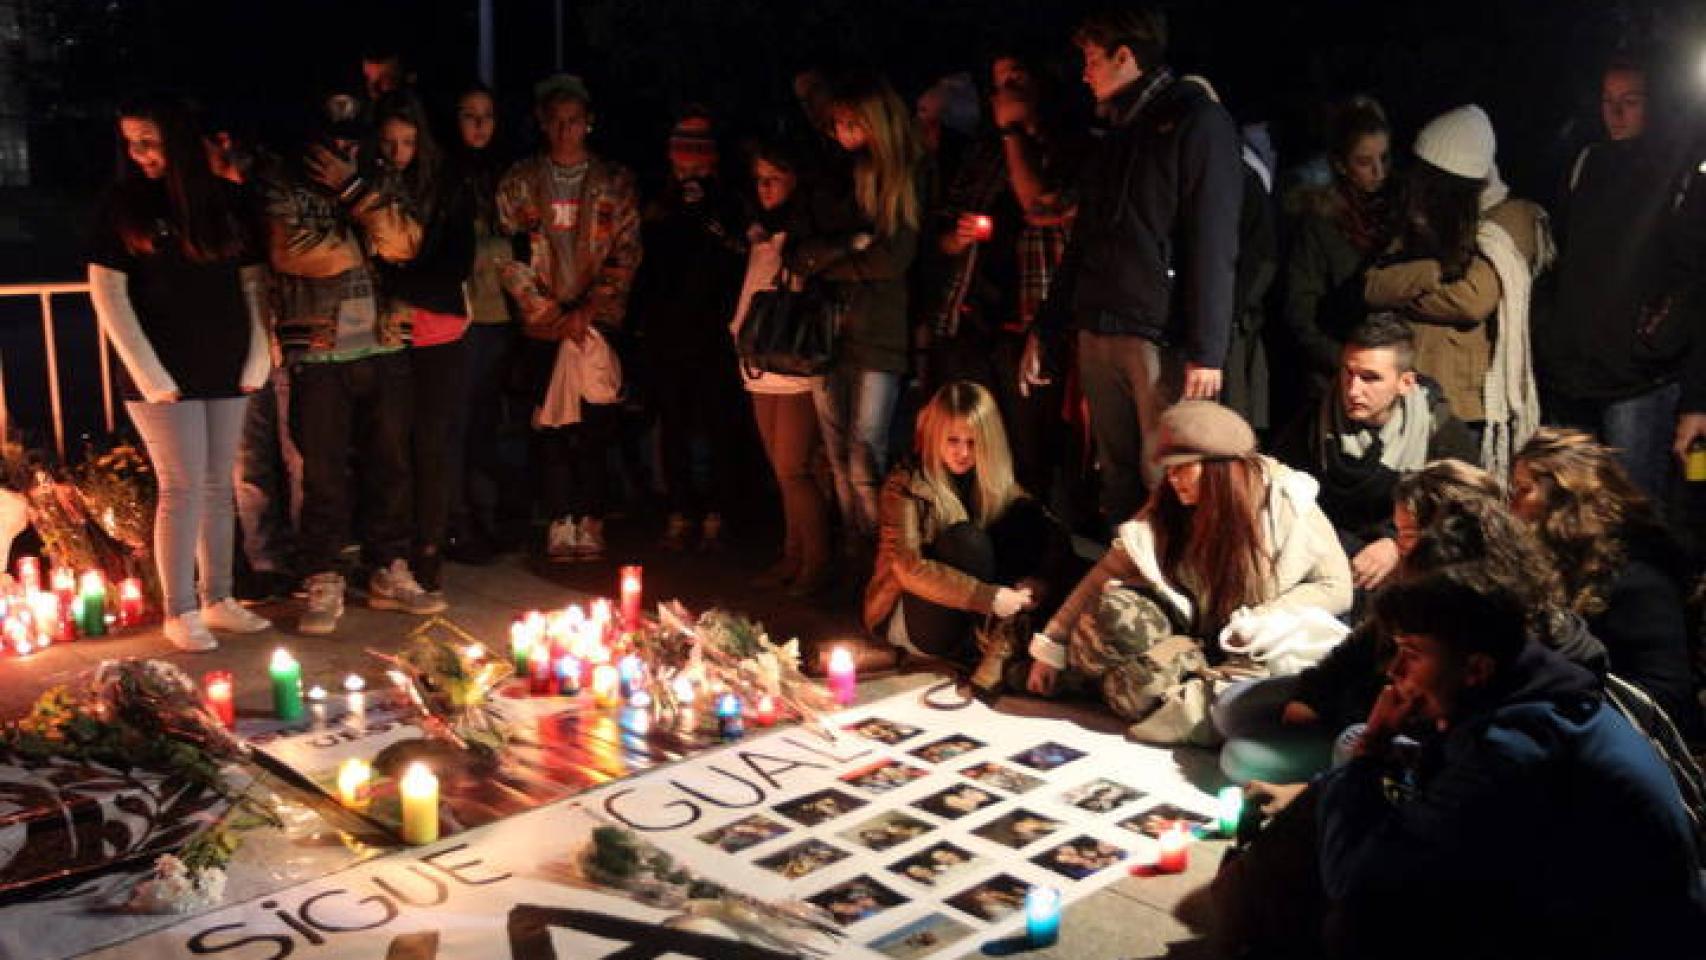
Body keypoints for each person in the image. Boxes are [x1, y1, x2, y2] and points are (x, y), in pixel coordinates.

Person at [1199, 561, 1705, 959]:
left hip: (1619, 941)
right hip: (1569, 909)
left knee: (1360, 923)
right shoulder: (1527, 699)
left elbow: (1360, 883)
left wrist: (1373, 745)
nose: (1395, 670)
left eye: (1412, 653)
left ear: (1476, 668)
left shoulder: (1519, 746)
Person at [1213, 458, 1601, 784]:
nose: (1399, 547)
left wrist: (1353, 715)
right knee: (1232, 707)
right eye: (1398, 533)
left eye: (1410, 535)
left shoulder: (1479, 600)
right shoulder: (1411, 582)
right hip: (1365, 702)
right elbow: (1360, 648)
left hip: (1399, 723)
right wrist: (1313, 694)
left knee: (1264, 755)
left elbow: (1430, 702)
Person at [1022, 4, 1243, 527]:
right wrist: (1050, 323)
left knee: (1167, 472)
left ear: (1126, 56)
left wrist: (1207, 348)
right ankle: (1128, 587)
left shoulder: (1197, 122)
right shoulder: (1118, 131)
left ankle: (1178, 591)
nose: (1085, 71)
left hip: (1156, 332)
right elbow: (1084, 240)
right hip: (1100, 323)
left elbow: (1213, 237)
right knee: (1117, 471)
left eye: (1093, 58)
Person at [88, 95, 273, 651]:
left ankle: (218, 598)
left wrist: (258, 355)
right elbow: (109, 292)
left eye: (150, 141)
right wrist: (147, 372)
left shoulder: (227, 201)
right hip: (160, 370)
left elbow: (253, 284)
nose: (140, 154)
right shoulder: (123, 203)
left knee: (220, 486)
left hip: (225, 360)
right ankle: (180, 609)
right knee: (183, 487)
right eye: (131, 143)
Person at [1026, 402, 1352, 716]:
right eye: (1169, 469)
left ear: (1218, 468)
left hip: (1253, 647)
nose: (1172, 479)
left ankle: (1140, 692)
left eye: (1183, 468)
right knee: (1114, 617)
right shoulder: (1168, 507)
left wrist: (1263, 618)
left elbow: (1336, 586)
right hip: (1190, 636)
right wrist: (1051, 645)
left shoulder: (1287, 501)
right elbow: (1108, 568)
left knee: (1147, 698)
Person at [257, 103, 433, 635]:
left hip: (382, 343)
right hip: (318, 346)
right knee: (323, 471)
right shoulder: (283, 185)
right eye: (334, 142)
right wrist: (370, 239)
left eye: (354, 141)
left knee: (391, 465)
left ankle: (388, 567)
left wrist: (356, 192)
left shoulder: (378, 179)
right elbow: (295, 253)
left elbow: (406, 243)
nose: (345, 152)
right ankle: (322, 573)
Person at [1364, 104, 1553, 477]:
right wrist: (1437, 269)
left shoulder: (1511, 218)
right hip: (1413, 391)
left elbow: (1470, 300)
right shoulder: (1423, 218)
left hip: (1470, 403)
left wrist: (1406, 291)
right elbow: (1374, 285)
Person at [497, 74, 641, 562]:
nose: (565, 130)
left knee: (595, 425)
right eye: (556, 121)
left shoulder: (614, 182)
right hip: (544, 325)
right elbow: (510, 256)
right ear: (542, 122)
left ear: (588, 123)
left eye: (574, 121)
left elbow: (626, 251)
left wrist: (590, 310)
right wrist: (551, 314)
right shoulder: (519, 182)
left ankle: (592, 517)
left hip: (596, 324)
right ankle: (559, 518)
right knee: (550, 425)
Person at [1539, 57, 1695, 499]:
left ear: (1654, 104)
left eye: (1630, 101)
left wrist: (1686, 382)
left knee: (1632, 507)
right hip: (1574, 374)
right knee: (1570, 508)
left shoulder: (1683, 172)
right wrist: (1554, 335)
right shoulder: (1587, 162)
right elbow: (1564, 257)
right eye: (1609, 101)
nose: (1617, 113)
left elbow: (1696, 283)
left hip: (1639, 382)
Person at [926, 48, 1078, 502]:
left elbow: (1043, 206)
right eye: (996, 85)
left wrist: (1014, 131)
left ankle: (1033, 559)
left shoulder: (1065, 147)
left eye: (1015, 80)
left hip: (1033, 320)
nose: (1003, 94)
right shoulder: (983, 154)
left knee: (1029, 451)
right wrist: (958, 237)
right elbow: (942, 232)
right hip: (972, 318)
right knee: (970, 442)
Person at [865, 381, 1070, 697]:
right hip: (916, 617)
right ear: (935, 437)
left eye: (973, 443)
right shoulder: (906, 483)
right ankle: (997, 640)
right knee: (966, 540)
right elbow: (907, 568)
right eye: (952, 441)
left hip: (971, 616)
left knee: (1024, 519)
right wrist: (988, 597)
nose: (963, 453)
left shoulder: (996, 478)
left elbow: (1051, 533)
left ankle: (1000, 642)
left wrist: (1038, 581)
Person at [787, 72, 920, 543]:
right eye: (837, 124)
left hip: (878, 331)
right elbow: (804, 249)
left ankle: (885, 557)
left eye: (850, 123)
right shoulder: (835, 175)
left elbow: (891, 258)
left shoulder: (903, 175)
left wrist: (832, 261)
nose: (842, 134)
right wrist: (845, 249)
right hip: (830, 330)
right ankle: (856, 554)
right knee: (839, 453)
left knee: (866, 452)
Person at [1509, 428, 1702, 736]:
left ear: (1563, 501)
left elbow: (1664, 697)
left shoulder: (1638, 580)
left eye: (1523, 490)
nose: (1512, 505)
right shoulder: (1548, 564)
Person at [1271, 313, 1477, 593]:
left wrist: (1397, 543)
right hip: (1330, 556)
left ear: (1404, 383)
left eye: (1370, 378)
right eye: (1348, 373)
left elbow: (1462, 514)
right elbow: (1281, 496)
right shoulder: (1313, 424)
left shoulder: (1439, 430)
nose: (1353, 390)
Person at [371, 92, 474, 600]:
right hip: (388, 332)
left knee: (431, 445)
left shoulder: (445, 188)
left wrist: (400, 278)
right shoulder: (370, 190)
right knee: (390, 447)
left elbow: (455, 263)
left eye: (408, 142)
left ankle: (428, 547)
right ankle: (390, 552)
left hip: (437, 329)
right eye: (388, 142)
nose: (398, 152)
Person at [632, 109, 747, 553]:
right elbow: (649, 264)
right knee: (673, 423)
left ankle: (719, 513)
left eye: (698, 165)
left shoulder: (728, 204)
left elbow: (736, 258)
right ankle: (680, 511)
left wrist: (709, 218)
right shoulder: (659, 204)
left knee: (718, 423)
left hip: (715, 329)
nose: (690, 174)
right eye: (683, 165)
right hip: (667, 329)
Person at [732, 141, 831, 597]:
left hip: (792, 363)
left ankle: (816, 563)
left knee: (795, 468)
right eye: (759, 179)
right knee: (780, 468)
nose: (766, 187)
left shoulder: (804, 235)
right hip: (759, 363)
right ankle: (792, 555)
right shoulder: (761, 236)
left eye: (774, 177)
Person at [1281, 96, 1394, 404]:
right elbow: (1299, 312)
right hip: (1336, 378)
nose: (1378, 172)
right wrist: (1345, 360)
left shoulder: (1395, 218)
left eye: (1384, 158)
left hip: (1391, 373)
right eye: (1364, 162)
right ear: (1341, 165)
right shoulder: (1319, 223)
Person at [446, 81, 516, 563]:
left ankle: (485, 514)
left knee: (485, 422)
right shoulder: (446, 176)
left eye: (487, 115)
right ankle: (457, 521)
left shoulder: (503, 175)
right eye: (469, 115)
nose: (479, 125)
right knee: (456, 421)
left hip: (499, 316)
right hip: (460, 317)